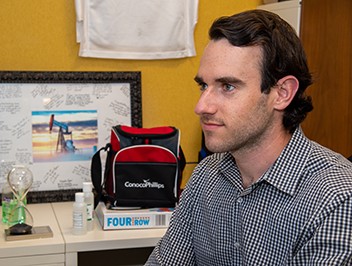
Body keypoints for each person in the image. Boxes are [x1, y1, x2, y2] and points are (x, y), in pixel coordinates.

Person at [145, 9, 352, 265]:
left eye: (228, 86)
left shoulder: (337, 197)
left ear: (282, 93)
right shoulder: (206, 175)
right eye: (204, 86)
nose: (202, 106)